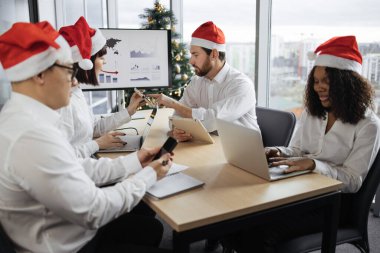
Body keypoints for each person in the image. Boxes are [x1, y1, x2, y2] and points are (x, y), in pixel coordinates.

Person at [0, 21, 172, 253]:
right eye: (69, 71)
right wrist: (149, 174)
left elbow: (73, 165)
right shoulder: (31, 135)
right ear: (40, 74)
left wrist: (135, 160)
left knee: (149, 230)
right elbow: (95, 210)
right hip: (73, 244)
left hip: (72, 231)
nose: (73, 81)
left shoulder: (26, 119)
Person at [223, 35, 380, 252]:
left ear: (347, 82)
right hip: (300, 190)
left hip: (335, 204)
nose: (319, 88)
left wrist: (314, 165)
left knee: (261, 231)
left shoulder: (368, 124)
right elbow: (297, 150)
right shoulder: (313, 113)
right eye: (316, 81)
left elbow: (353, 180)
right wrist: (278, 150)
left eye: (327, 81)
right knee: (238, 218)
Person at [148, 21, 259, 142]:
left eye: (195, 55)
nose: (191, 61)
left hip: (243, 151)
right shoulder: (197, 82)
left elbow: (211, 120)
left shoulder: (241, 85)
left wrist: (173, 103)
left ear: (214, 54)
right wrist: (177, 129)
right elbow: (176, 117)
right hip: (211, 146)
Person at [58, 16, 144, 158]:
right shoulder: (62, 102)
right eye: (101, 57)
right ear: (85, 62)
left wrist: (129, 110)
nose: (104, 62)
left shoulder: (76, 91)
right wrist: (97, 144)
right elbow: (63, 158)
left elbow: (94, 128)